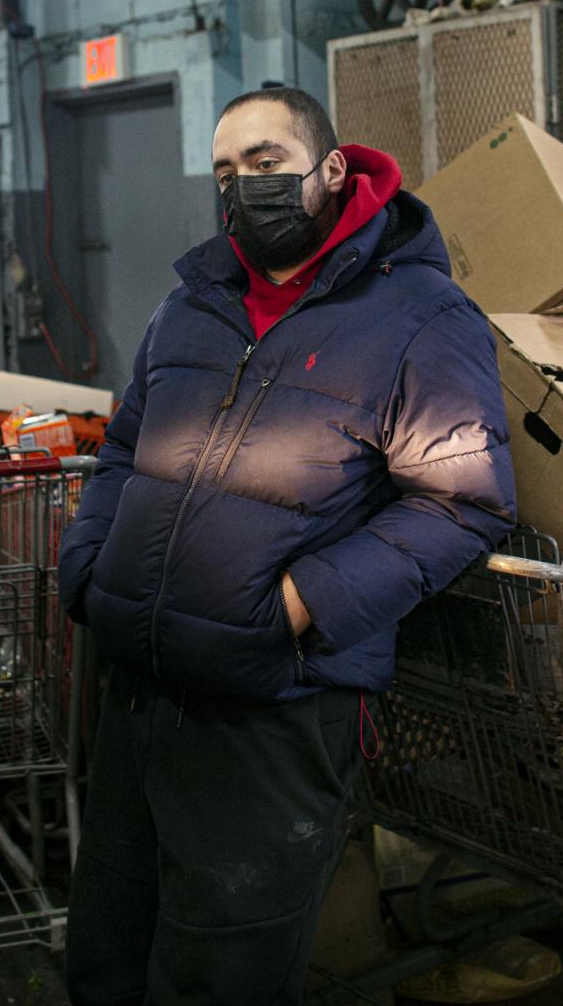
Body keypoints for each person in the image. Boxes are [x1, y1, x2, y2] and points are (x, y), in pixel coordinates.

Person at [56, 86, 516, 1004]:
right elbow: (121, 446)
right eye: (226, 171)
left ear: (333, 169)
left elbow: (465, 504)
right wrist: (91, 566)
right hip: (140, 696)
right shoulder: (191, 304)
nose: (243, 187)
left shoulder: (422, 316)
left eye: (266, 162)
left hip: (274, 708)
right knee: (108, 954)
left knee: (221, 975)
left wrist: (295, 610)